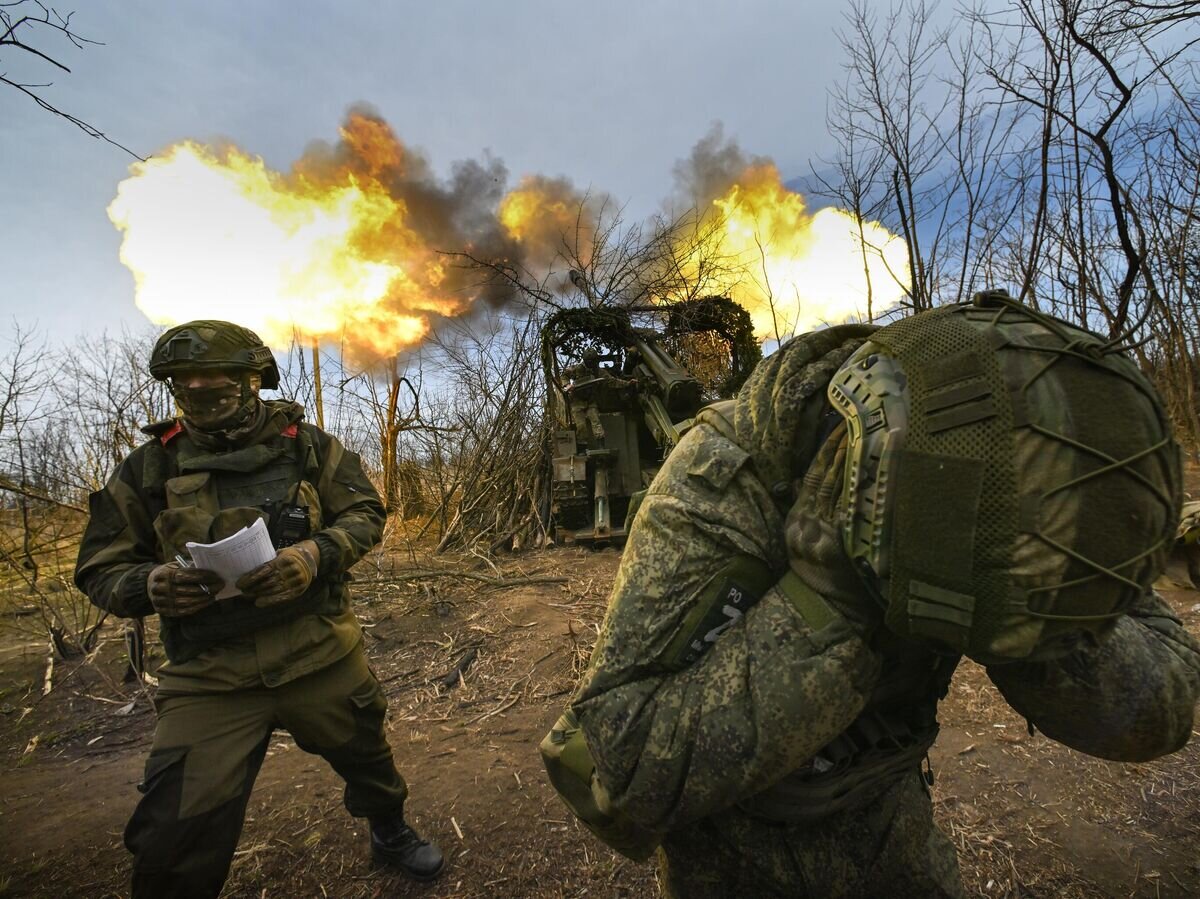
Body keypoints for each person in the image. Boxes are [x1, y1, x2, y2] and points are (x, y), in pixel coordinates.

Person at [565, 291, 1200, 897]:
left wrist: (1016, 607)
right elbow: (625, 761)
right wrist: (828, 599)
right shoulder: (723, 479)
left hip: (888, 822)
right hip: (728, 852)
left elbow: (1159, 710)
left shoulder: (1024, 465)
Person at [74, 320, 444, 898]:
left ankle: (389, 830)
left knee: (368, 756)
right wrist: (150, 585)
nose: (199, 395)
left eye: (216, 385)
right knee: (172, 834)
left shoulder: (308, 448)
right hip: (211, 677)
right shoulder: (148, 470)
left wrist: (314, 555)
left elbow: (366, 513)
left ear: (253, 383)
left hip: (318, 653)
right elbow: (99, 567)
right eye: (184, 386)